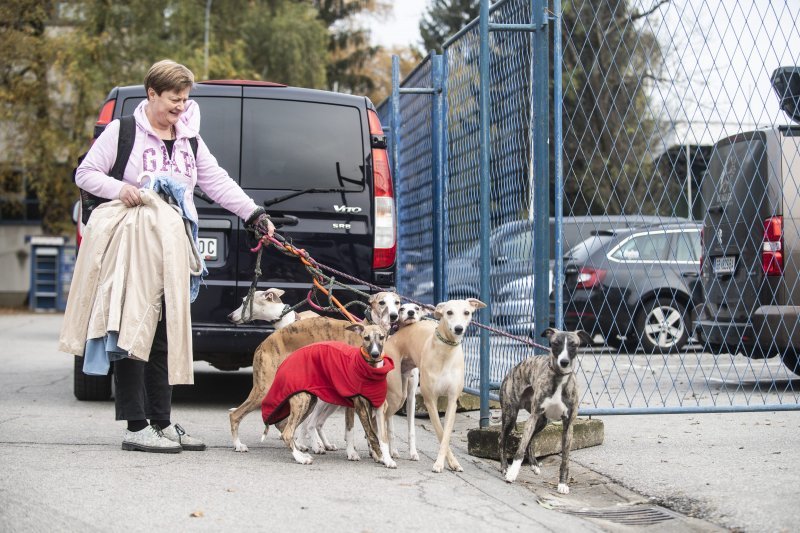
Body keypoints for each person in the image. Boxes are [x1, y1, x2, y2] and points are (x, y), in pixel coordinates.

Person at [72, 60, 274, 453]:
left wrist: (254, 213)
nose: (180, 107)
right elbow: (85, 173)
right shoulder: (123, 131)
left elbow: (217, 182)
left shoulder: (190, 140)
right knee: (133, 331)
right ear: (152, 94)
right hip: (133, 245)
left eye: (185, 99)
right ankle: (135, 425)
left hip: (174, 246)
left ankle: (161, 422)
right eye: (173, 99)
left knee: (165, 334)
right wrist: (119, 188)